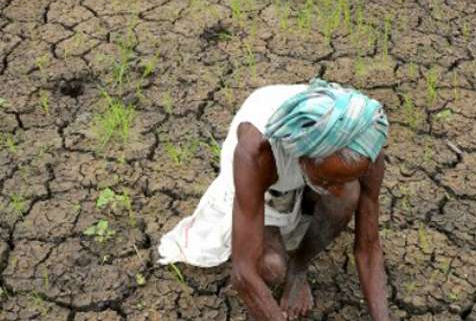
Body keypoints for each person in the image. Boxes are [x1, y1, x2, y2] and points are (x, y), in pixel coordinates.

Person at [157, 78, 391, 320]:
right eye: (327, 180)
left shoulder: (366, 146)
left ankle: (299, 267)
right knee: (271, 267)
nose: (336, 188)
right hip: (264, 190)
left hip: (302, 182)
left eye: (345, 178)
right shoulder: (257, 152)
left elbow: (368, 247)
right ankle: (287, 252)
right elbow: (243, 274)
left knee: (348, 195)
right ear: (303, 158)